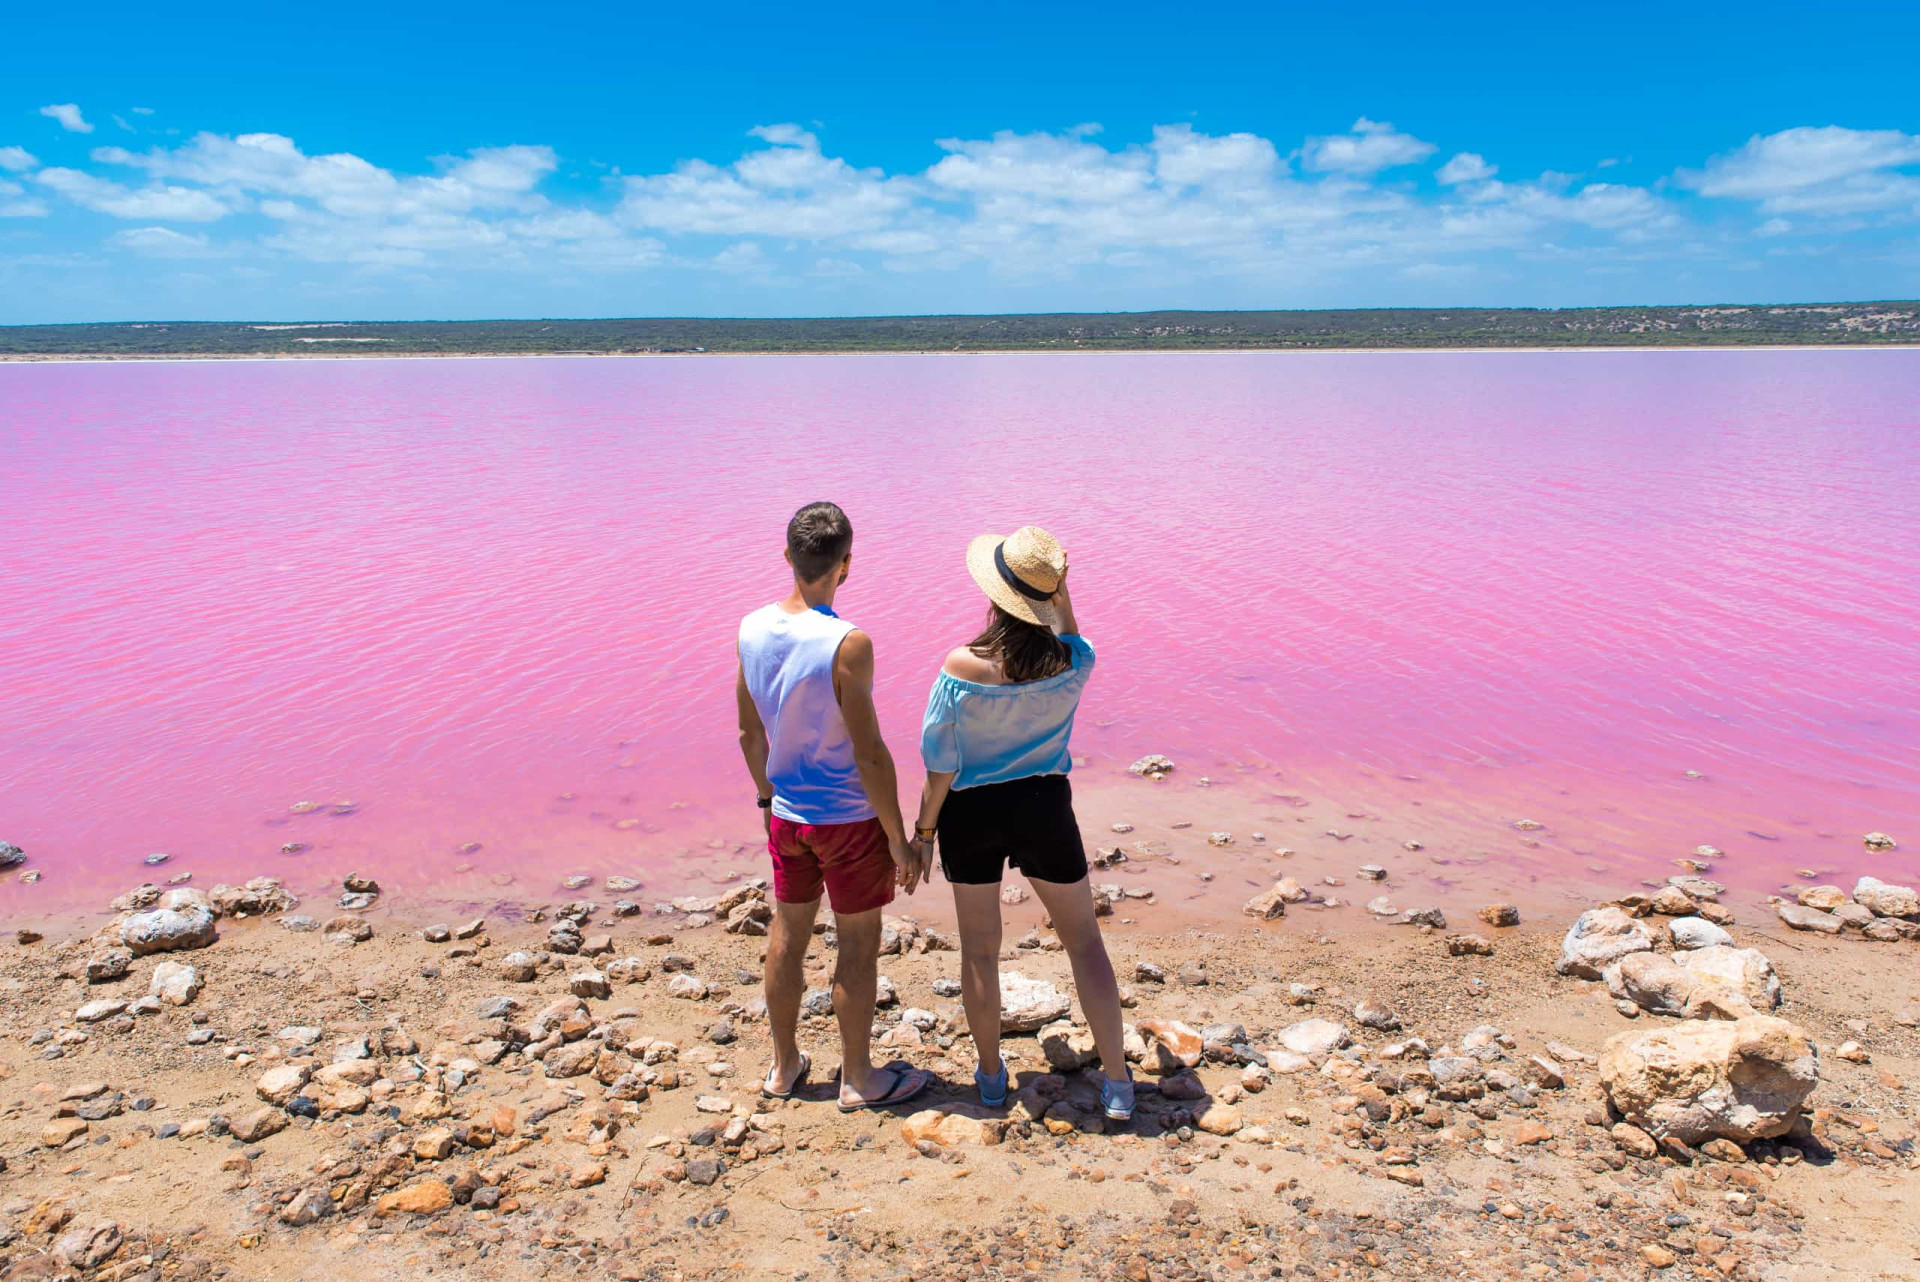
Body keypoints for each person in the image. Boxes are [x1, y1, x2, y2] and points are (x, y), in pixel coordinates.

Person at [909, 525, 1134, 1121]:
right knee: (1085, 943)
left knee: (980, 953)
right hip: (1044, 807)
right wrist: (1061, 597)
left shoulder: (962, 665)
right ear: (1048, 596)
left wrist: (924, 834)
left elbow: (940, 766)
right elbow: (1070, 634)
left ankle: (989, 1080)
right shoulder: (1074, 662)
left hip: (971, 814)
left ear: (994, 594)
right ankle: (1117, 1083)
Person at [736, 501, 933, 1113]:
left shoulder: (749, 628)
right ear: (846, 565)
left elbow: (749, 734)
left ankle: (783, 1066)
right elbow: (870, 752)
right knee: (858, 942)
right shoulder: (849, 643)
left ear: (788, 557)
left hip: (789, 815)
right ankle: (858, 1079)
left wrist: (768, 799)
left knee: (788, 933)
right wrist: (899, 838)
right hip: (847, 819)